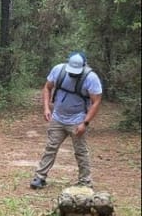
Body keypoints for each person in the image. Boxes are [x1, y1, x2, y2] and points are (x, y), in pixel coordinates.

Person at [29, 51, 102, 190]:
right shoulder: (58, 70)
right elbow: (47, 87)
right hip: (58, 117)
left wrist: (85, 123)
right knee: (51, 147)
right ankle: (40, 177)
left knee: (81, 151)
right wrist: (46, 108)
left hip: (78, 119)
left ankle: (85, 182)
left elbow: (96, 101)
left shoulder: (91, 78)